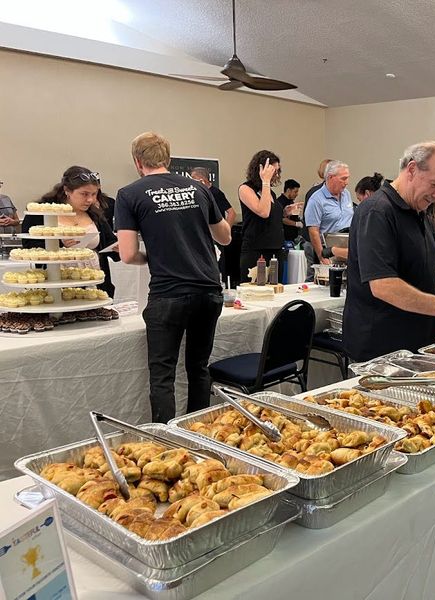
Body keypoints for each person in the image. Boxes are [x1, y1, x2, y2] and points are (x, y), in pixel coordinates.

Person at [116, 132, 231, 423]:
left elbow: (127, 255)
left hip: (168, 294)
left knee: (163, 375)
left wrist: (153, 256)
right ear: (168, 158)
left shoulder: (129, 194)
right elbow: (225, 237)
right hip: (208, 289)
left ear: (137, 161)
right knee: (199, 368)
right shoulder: (199, 188)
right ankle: (198, 433)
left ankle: (166, 441)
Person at [343, 141, 435, 362]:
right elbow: (383, 285)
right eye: (434, 185)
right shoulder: (377, 211)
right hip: (382, 351)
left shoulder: (420, 213)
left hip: (418, 347)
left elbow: (431, 272)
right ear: (412, 169)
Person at [21, 166, 118, 298]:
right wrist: (58, 244)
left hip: (94, 287)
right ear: (67, 190)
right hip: (56, 286)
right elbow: (28, 246)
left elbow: (109, 243)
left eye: (94, 194)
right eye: (84, 194)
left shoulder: (95, 214)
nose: (90, 200)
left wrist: (119, 248)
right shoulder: (42, 213)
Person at [238, 150, 284, 282]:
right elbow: (263, 212)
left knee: (276, 289)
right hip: (256, 250)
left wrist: (285, 211)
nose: (275, 175)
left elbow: (271, 215)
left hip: (275, 248)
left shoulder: (271, 193)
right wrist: (265, 182)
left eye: (277, 171)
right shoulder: (245, 189)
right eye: (272, 171)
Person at [305, 160, 354, 268]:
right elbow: (313, 231)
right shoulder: (316, 199)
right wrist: (322, 257)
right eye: (343, 178)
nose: (347, 182)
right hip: (328, 251)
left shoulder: (347, 194)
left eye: (348, 178)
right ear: (331, 177)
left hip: (347, 251)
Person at [277, 179, 303, 243]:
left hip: (292, 237)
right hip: (284, 238)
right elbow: (281, 219)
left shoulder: (291, 201)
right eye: (295, 191)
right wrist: (296, 224)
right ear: (288, 190)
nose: (297, 194)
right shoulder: (280, 202)